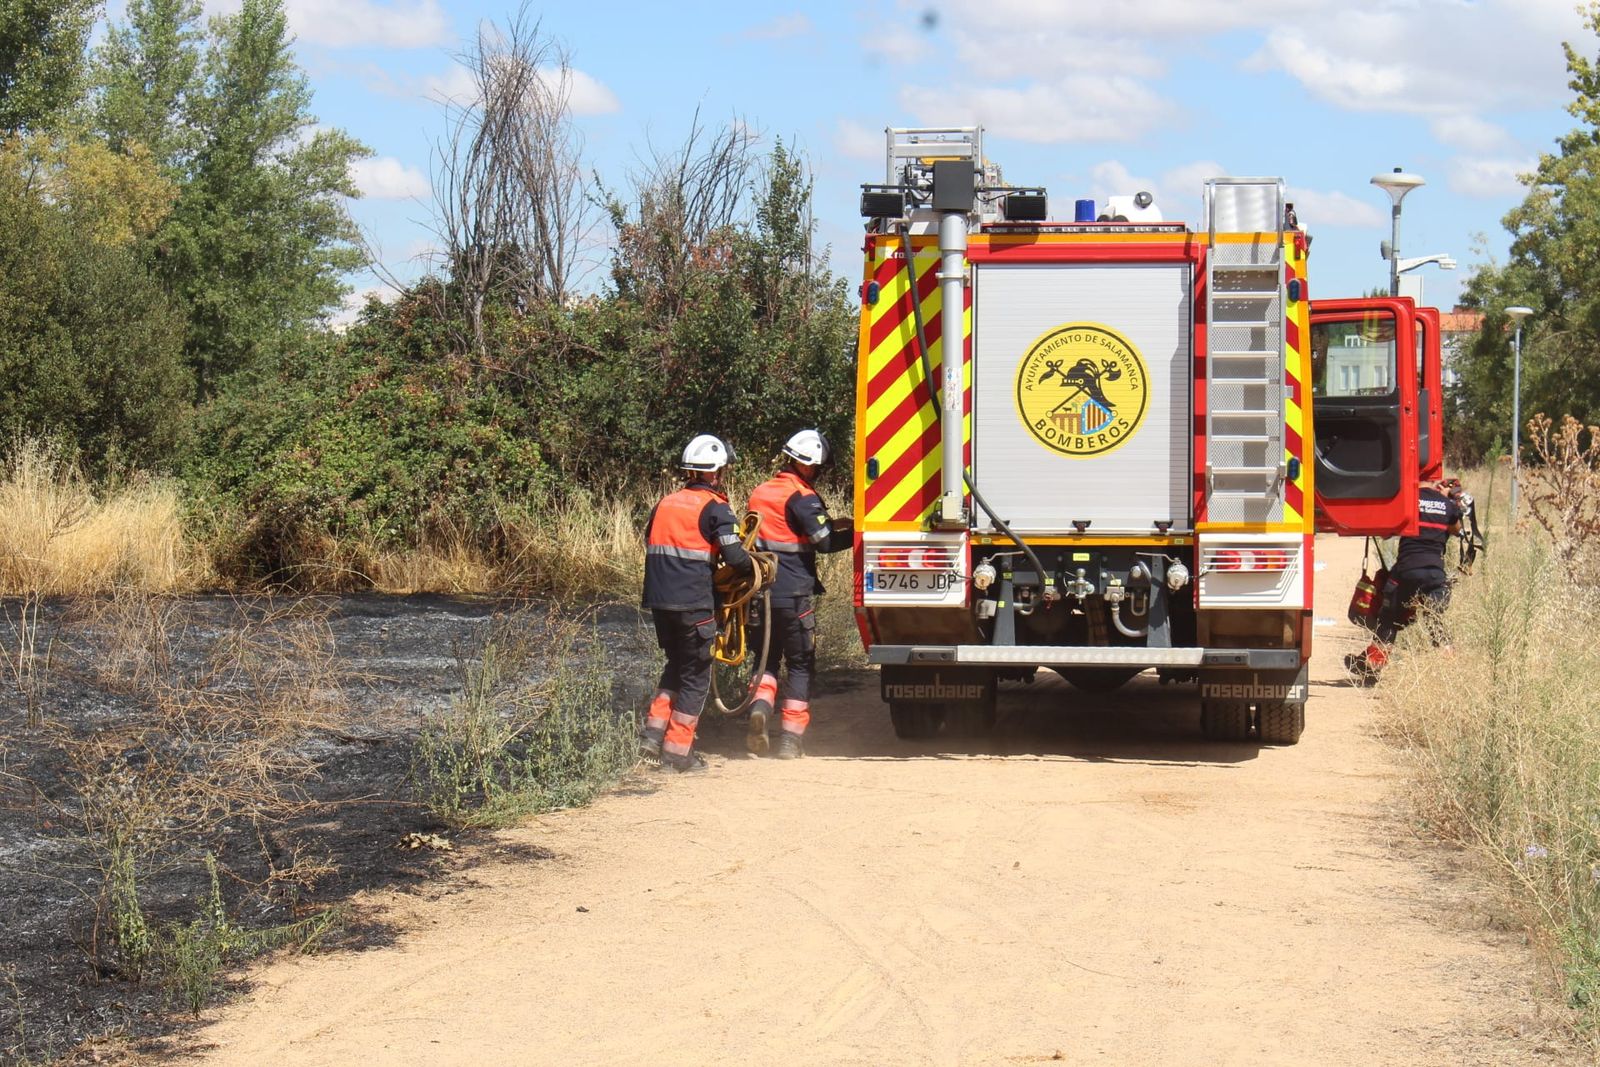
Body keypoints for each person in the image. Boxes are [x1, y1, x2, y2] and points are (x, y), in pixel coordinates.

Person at [640, 434, 753, 772]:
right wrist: (755, 567)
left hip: (661, 604)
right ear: (715, 472)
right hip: (694, 604)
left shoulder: (665, 503)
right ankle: (677, 754)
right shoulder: (716, 508)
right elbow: (735, 556)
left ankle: (651, 737)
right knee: (696, 677)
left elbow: (655, 542)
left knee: (676, 666)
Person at [743, 429, 854, 758]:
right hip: (793, 595)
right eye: (819, 468)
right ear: (807, 466)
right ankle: (791, 740)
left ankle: (760, 709)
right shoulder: (803, 496)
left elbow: (781, 528)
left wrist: (836, 523)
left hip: (759, 593)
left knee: (766, 659)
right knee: (801, 664)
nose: (819, 473)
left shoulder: (760, 492)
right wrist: (857, 535)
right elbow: (823, 542)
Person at [1345, 477, 1464, 683]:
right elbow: (1457, 530)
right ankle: (1450, 670)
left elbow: (1385, 533)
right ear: (1437, 483)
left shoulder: (1407, 501)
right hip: (1435, 574)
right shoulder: (1447, 505)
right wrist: (1448, 501)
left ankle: (1373, 664)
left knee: (1389, 619)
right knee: (1434, 619)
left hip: (1407, 571)